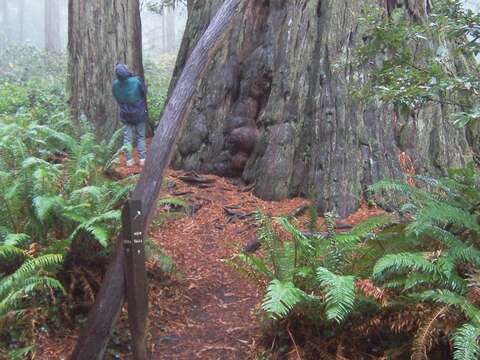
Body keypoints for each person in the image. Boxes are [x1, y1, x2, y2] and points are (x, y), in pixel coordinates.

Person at [112, 63, 148, 167]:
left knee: (127, 138)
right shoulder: (136, 81)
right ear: (126, 71)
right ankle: (142, 159)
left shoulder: (115, 85)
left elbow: (117, 98)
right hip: (139, 112)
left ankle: (129, 160)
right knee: (140, 136)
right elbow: (144, 92)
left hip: (125, 114)